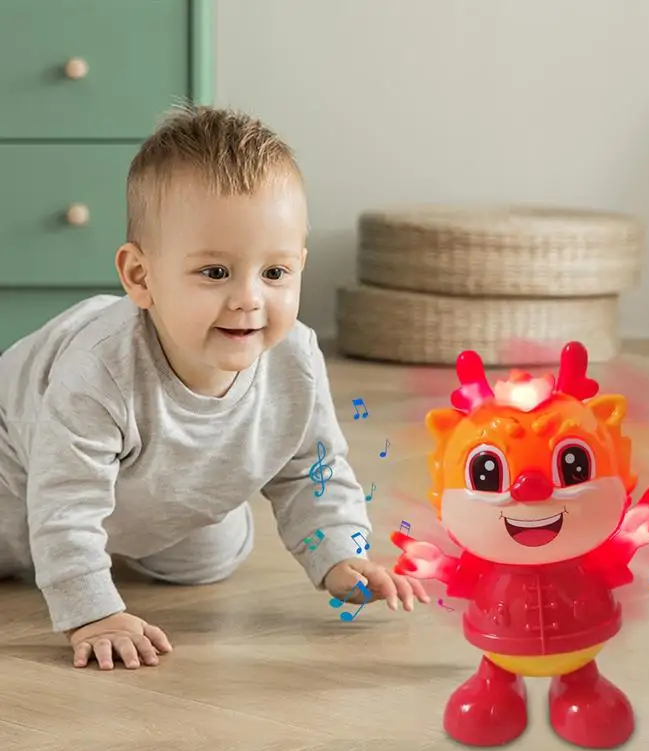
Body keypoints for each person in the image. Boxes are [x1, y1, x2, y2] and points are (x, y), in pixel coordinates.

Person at [0, 104, 428, 671]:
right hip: (21, 463)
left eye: (274, 273)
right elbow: (63, 501)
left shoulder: (294, 356)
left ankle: (149, 515)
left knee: (212, 556)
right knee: (27, 540)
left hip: (152, 480)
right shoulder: (98, 370)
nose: (249, 299)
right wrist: (91, 612)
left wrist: (341, 558)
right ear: (140, 277)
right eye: (215, 272)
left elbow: (312, 467)